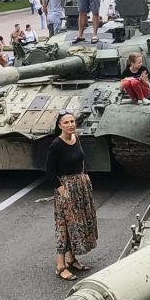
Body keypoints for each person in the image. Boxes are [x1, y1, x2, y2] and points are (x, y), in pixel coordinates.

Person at [45, 111, 98, 280]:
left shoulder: (76, 138)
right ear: (60, 125)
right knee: (65, 227)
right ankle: (60, 266)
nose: (71, 124)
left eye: (73, 121)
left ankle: (71, 258)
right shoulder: (56, 145)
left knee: (79, 223)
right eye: (66, 122)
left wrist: (86, 175)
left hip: (80, 187)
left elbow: (81, 160)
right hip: (66, 188)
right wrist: (62, 190)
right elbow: (49, 171)